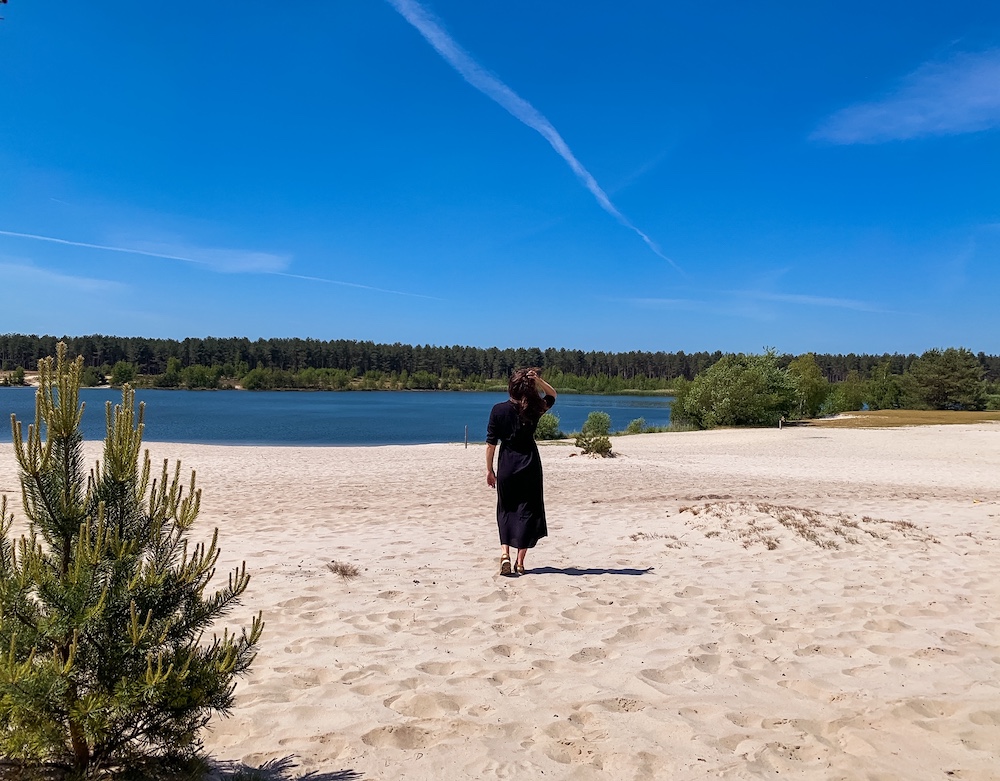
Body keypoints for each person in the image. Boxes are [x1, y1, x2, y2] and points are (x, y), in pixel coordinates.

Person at [485, 368, 557, 576]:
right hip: (530, 464)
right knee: (527, 510)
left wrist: (489, 470)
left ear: (511, 387)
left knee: (505, 508)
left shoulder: (498, 410)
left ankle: (504, 553)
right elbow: (552, 395)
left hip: (507, 463)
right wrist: (540, 380)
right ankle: (520, 562)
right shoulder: (534, 408)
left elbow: (491, 444)